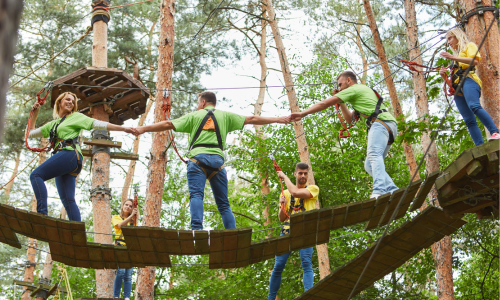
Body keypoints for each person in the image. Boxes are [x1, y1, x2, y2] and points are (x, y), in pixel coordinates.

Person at [131, 91, 290, 230]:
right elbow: (252, 118)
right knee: (223, 204)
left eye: (198, 103)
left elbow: (167, 123)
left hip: (197, 160)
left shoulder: (194, 115)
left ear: (203, 102)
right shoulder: (225, 116)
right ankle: (232, 233)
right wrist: (278, 119)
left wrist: (142, 129)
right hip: (217, 163)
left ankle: (197, 229)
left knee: (196, 195)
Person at [290, 71, 398, 198]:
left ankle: (379, 190)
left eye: (340, 85)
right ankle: (392, 189)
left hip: (381, 124)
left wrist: (303, 113)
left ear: (348, 80)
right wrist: (342, 102)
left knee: (374, 154)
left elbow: (324, 103)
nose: (339, 88)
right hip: (388, 125)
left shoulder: (354, 88)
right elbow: (349, 119)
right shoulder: (360, 93)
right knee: (369, 165)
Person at [27, 92, 134, 221]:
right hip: (67, 160)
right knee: (68, 200)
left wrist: (123, 129)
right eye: (67, 100)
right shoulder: (52, 125)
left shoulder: (75, 117)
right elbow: (30, 133)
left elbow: (97, 123)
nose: (70, 103)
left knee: (36, 175)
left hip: (69, 154)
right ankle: (77, 232)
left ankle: (42, 214)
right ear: (59, 102)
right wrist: (35, 113)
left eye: (73, 102)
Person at [439, 28, 500, 145]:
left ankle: (495, 132)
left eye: (450, 38)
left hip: (469, 80)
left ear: (457, 36)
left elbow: (475, 61)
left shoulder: (469, 46)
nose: (449, 42)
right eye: (447, 40)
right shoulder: (454, 59)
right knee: (469, 120)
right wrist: (444, 77)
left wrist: (453, 58)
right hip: (457, 89)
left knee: (474, 105)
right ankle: (479, 145)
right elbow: (451, 84)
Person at [268, 162, 319, 300]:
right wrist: (282, 205)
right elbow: (281, 218)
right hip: (287, 231)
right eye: (300, 173)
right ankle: (270, 298)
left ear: (307, 175)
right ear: (295, 174)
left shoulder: (313, 189)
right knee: (278, 265)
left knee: (306, 263)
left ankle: (308, 294)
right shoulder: (285, 193)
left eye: (305, 173)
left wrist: (284, 176)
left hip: (305, 232)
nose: (303, 176)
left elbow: (296, 192)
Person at [112, 199, 139, 300]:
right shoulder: (116, 217)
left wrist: (133, 218)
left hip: (130, 248)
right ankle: (116, 295)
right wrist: (132, 216)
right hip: (120, 246)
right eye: (126, 205)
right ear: (123, 206)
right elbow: (120, 225)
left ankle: (127, 297)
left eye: (130, 206)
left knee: (128, 275)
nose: (128, 207)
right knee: (121, 271)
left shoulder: (133, 223)